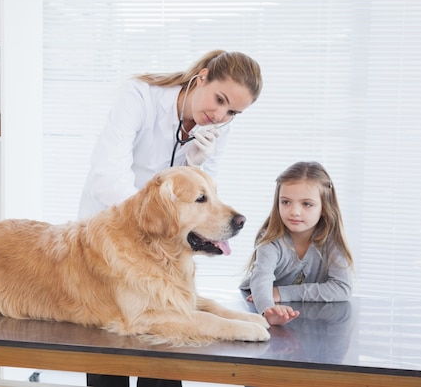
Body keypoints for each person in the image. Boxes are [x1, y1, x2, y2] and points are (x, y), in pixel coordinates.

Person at [78, 50, 263, 387]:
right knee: (112, 352)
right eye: (219, 99)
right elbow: (108, 176)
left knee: (168, 348)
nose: (219, 115)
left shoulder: (217, 128)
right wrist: (159, 218)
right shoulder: (138, 96)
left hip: (167, 247)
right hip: (112, 237)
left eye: (232, 112)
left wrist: (196, 165)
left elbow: (204, 196)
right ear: (202, 77)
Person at [240, 161, 354, 326]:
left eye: (307, 204)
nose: (294, 211)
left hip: (308, 318)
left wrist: (281, 292)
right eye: (286, 202)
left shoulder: (332, 242)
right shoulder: (271, 241)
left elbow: (342, 288)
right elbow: (261, 280)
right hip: (263, 305)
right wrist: (268, 310)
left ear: (324, 207)